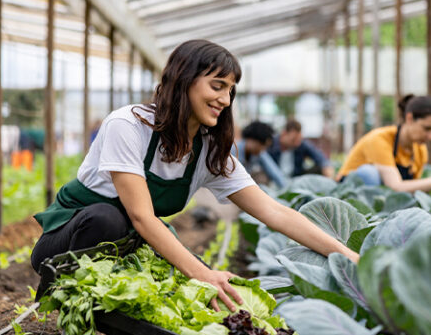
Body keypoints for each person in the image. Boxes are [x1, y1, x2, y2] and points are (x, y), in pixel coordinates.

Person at [30, 40, 358, 312]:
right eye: (217, 87)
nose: (225, 100)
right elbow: (142, 218)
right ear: (184, 80)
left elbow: (273, 212)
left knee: (192, 289)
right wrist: (203, 273)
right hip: (66, 245)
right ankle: (74, 306)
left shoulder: (208, 151)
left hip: (128, 251)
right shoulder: (127, 126)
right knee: (108, 219)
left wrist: (350, 257)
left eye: (230, 91)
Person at [336, 94, 431, 192]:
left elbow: (412, 189)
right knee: (369, 173)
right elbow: (396, 187)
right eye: (426, 128)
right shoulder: (379, 139)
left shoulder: (419, 150)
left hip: (381, 200)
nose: (430, 136)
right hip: (347, 195)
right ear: (409, 118)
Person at [267, 119, 335, 179]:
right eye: (293, 140)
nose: (296, 144)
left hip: (295, 179)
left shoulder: (301, 144)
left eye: (298, 140)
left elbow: (321, 158)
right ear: (284, 134)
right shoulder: (270, 143)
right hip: (273, 179)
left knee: (320, 168)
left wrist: (328, 170)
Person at [232, 121, 288, 188]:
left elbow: (273, 170)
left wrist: (286, 188)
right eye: (262, 145)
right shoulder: (233, 151)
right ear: (252, 139)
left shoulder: (258, 153)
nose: (263, 149)